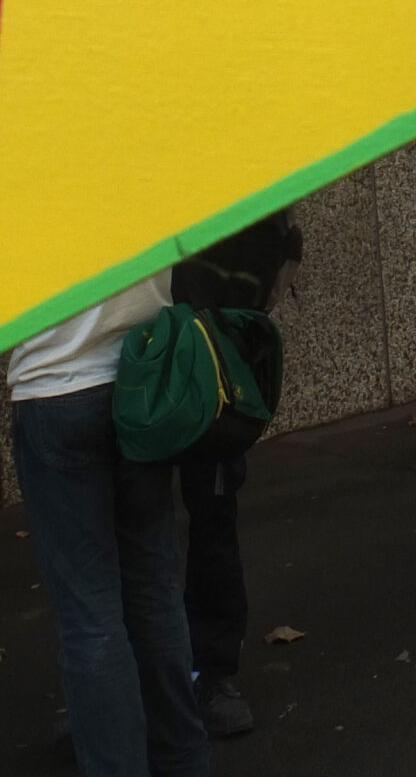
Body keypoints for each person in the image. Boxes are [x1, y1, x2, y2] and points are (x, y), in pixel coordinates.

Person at [9, 277, 211, 777]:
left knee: (90, 614)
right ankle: (185, 762)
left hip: (54, 384)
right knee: (155, 593)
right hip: (142, 378)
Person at [170, 210, 304, 741]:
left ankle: (213, 672)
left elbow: (273, 267)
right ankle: (127, 676)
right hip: (157, 353)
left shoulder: (260, 211)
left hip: (214, 365)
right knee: (141, 525)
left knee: (212, 524)